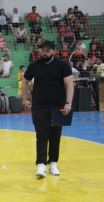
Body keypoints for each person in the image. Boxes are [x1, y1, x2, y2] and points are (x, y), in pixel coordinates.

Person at [23, 40, 74, 177]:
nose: (44, 52)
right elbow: (25, 80)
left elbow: (70, 84)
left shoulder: (62, 65)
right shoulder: (34, 65)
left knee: (55, 136)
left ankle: (53, 163)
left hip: (59, 107)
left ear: (53, 51)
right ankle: (41, 165)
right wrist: (25, 98)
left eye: (46, 50)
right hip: (39, 107)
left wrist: (68, 103)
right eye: (42, 50)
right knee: (42, 135)